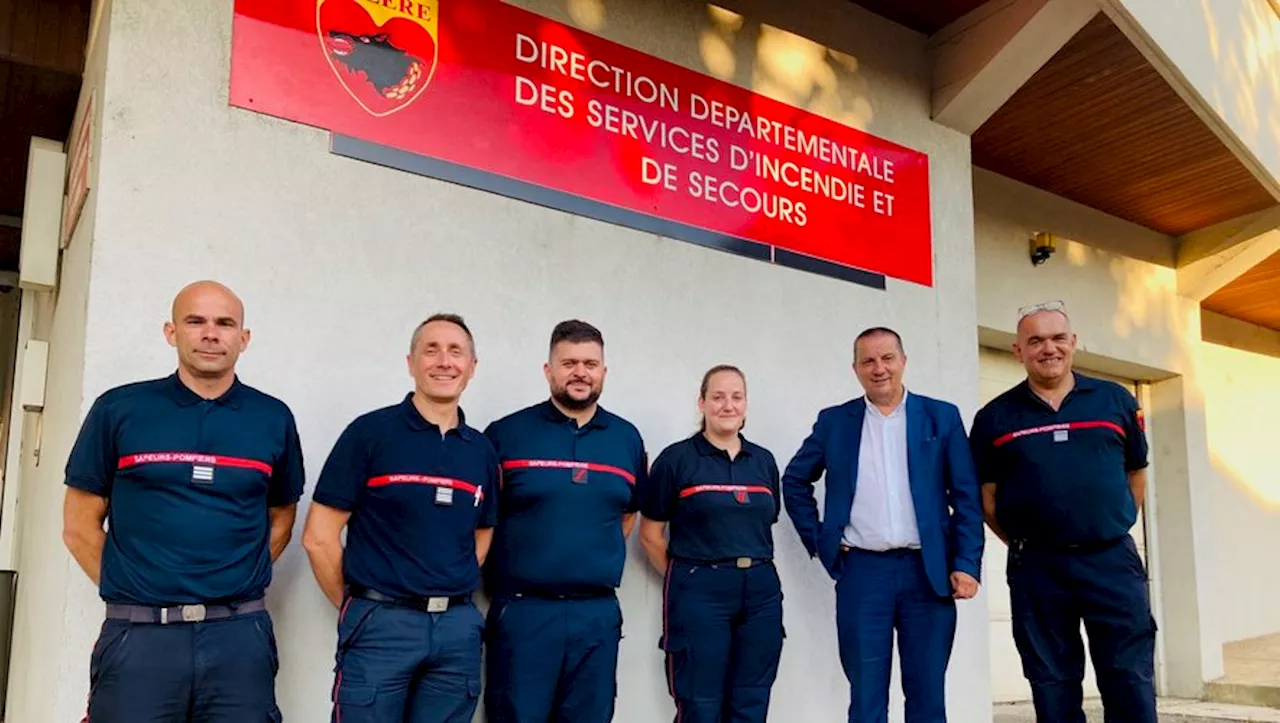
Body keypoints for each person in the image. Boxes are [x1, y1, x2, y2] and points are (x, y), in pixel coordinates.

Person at [62, 280, 303, 723]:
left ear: (243, 339)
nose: (211, 333)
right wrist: (138, 584)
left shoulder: (272, 418)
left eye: (225, 323)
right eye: (196, 321)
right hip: (140, 636)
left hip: (238, 635)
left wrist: (232, 576)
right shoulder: (119, 410)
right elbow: (78, 525)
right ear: (171, 332)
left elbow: (281, 516)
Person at [302, 313, 499, 723]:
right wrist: (360, 609)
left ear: (472, 368)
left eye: (455, 351)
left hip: (456, 632)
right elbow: (319, 537)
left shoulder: (480, 451)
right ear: (410, 363)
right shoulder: (370, 434)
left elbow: (481, 536)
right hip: (381, 625)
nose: (444, 361)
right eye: (431, 350)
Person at [782, 326, 984, 723]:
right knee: (866, 697)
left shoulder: (941, 417)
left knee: (927, 697)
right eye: (868, 361)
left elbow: (966, 496)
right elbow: (794, 480)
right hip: (863, 573)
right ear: (855, 369)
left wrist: (967, 562)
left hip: (928, 574)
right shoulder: (835, 421)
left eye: (887, 358)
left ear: (903, 361)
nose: (879, 368)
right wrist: (822, 539)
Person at [970, 302, 1154, 723]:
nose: (1047, 348)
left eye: (1057, 338)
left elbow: (1136, 472)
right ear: (1019, 351)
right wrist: (1028, 540)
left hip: (1111, 560)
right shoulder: (994, 417)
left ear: (1073, 343)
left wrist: (1112, 521)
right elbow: (987, 498)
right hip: (1037, 567)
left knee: (1128, 676)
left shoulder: (1115, 400)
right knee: (1052, 681)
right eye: (1035, 341)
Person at [482, 319, 649, 723]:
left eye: (590, 363)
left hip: (596, 614)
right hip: (524, 613)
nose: (580, 372)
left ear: (604, 372)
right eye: (569, 362)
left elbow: (626, 515)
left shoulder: (626, 439)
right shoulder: (506, 434)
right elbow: (482, 518)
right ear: (548, 370)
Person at [639, 364, 784, 723]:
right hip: (700, 591)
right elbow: (650, 534)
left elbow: (765, 522)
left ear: (746, 405)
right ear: (701, 403)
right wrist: (685, 577)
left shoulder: (763, 462)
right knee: (700, 705)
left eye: (736, 397)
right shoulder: (677, 460)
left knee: (751, 703)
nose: (727, 405)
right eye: (717, 397)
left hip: (761, 593)